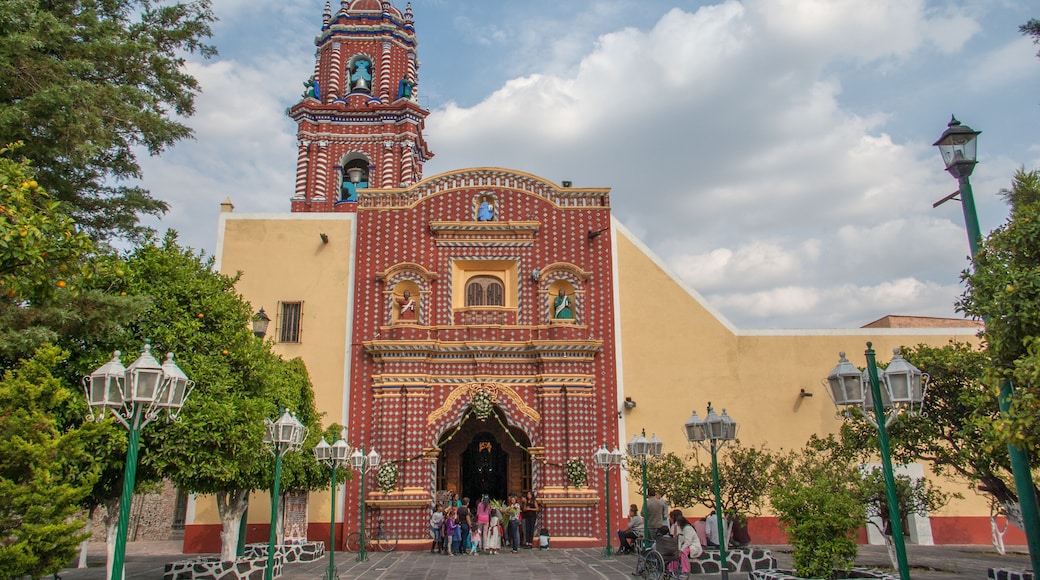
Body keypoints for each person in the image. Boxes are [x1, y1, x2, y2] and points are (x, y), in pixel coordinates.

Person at [670, 509, 702, 575]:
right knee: (674, 552)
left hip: (692, 545)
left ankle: (685, 570)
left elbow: (688, 542)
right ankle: (672, 569)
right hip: (684, 545)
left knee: (683, 553)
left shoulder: (688, 528)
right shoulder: (680, 528)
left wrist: (681, 550)